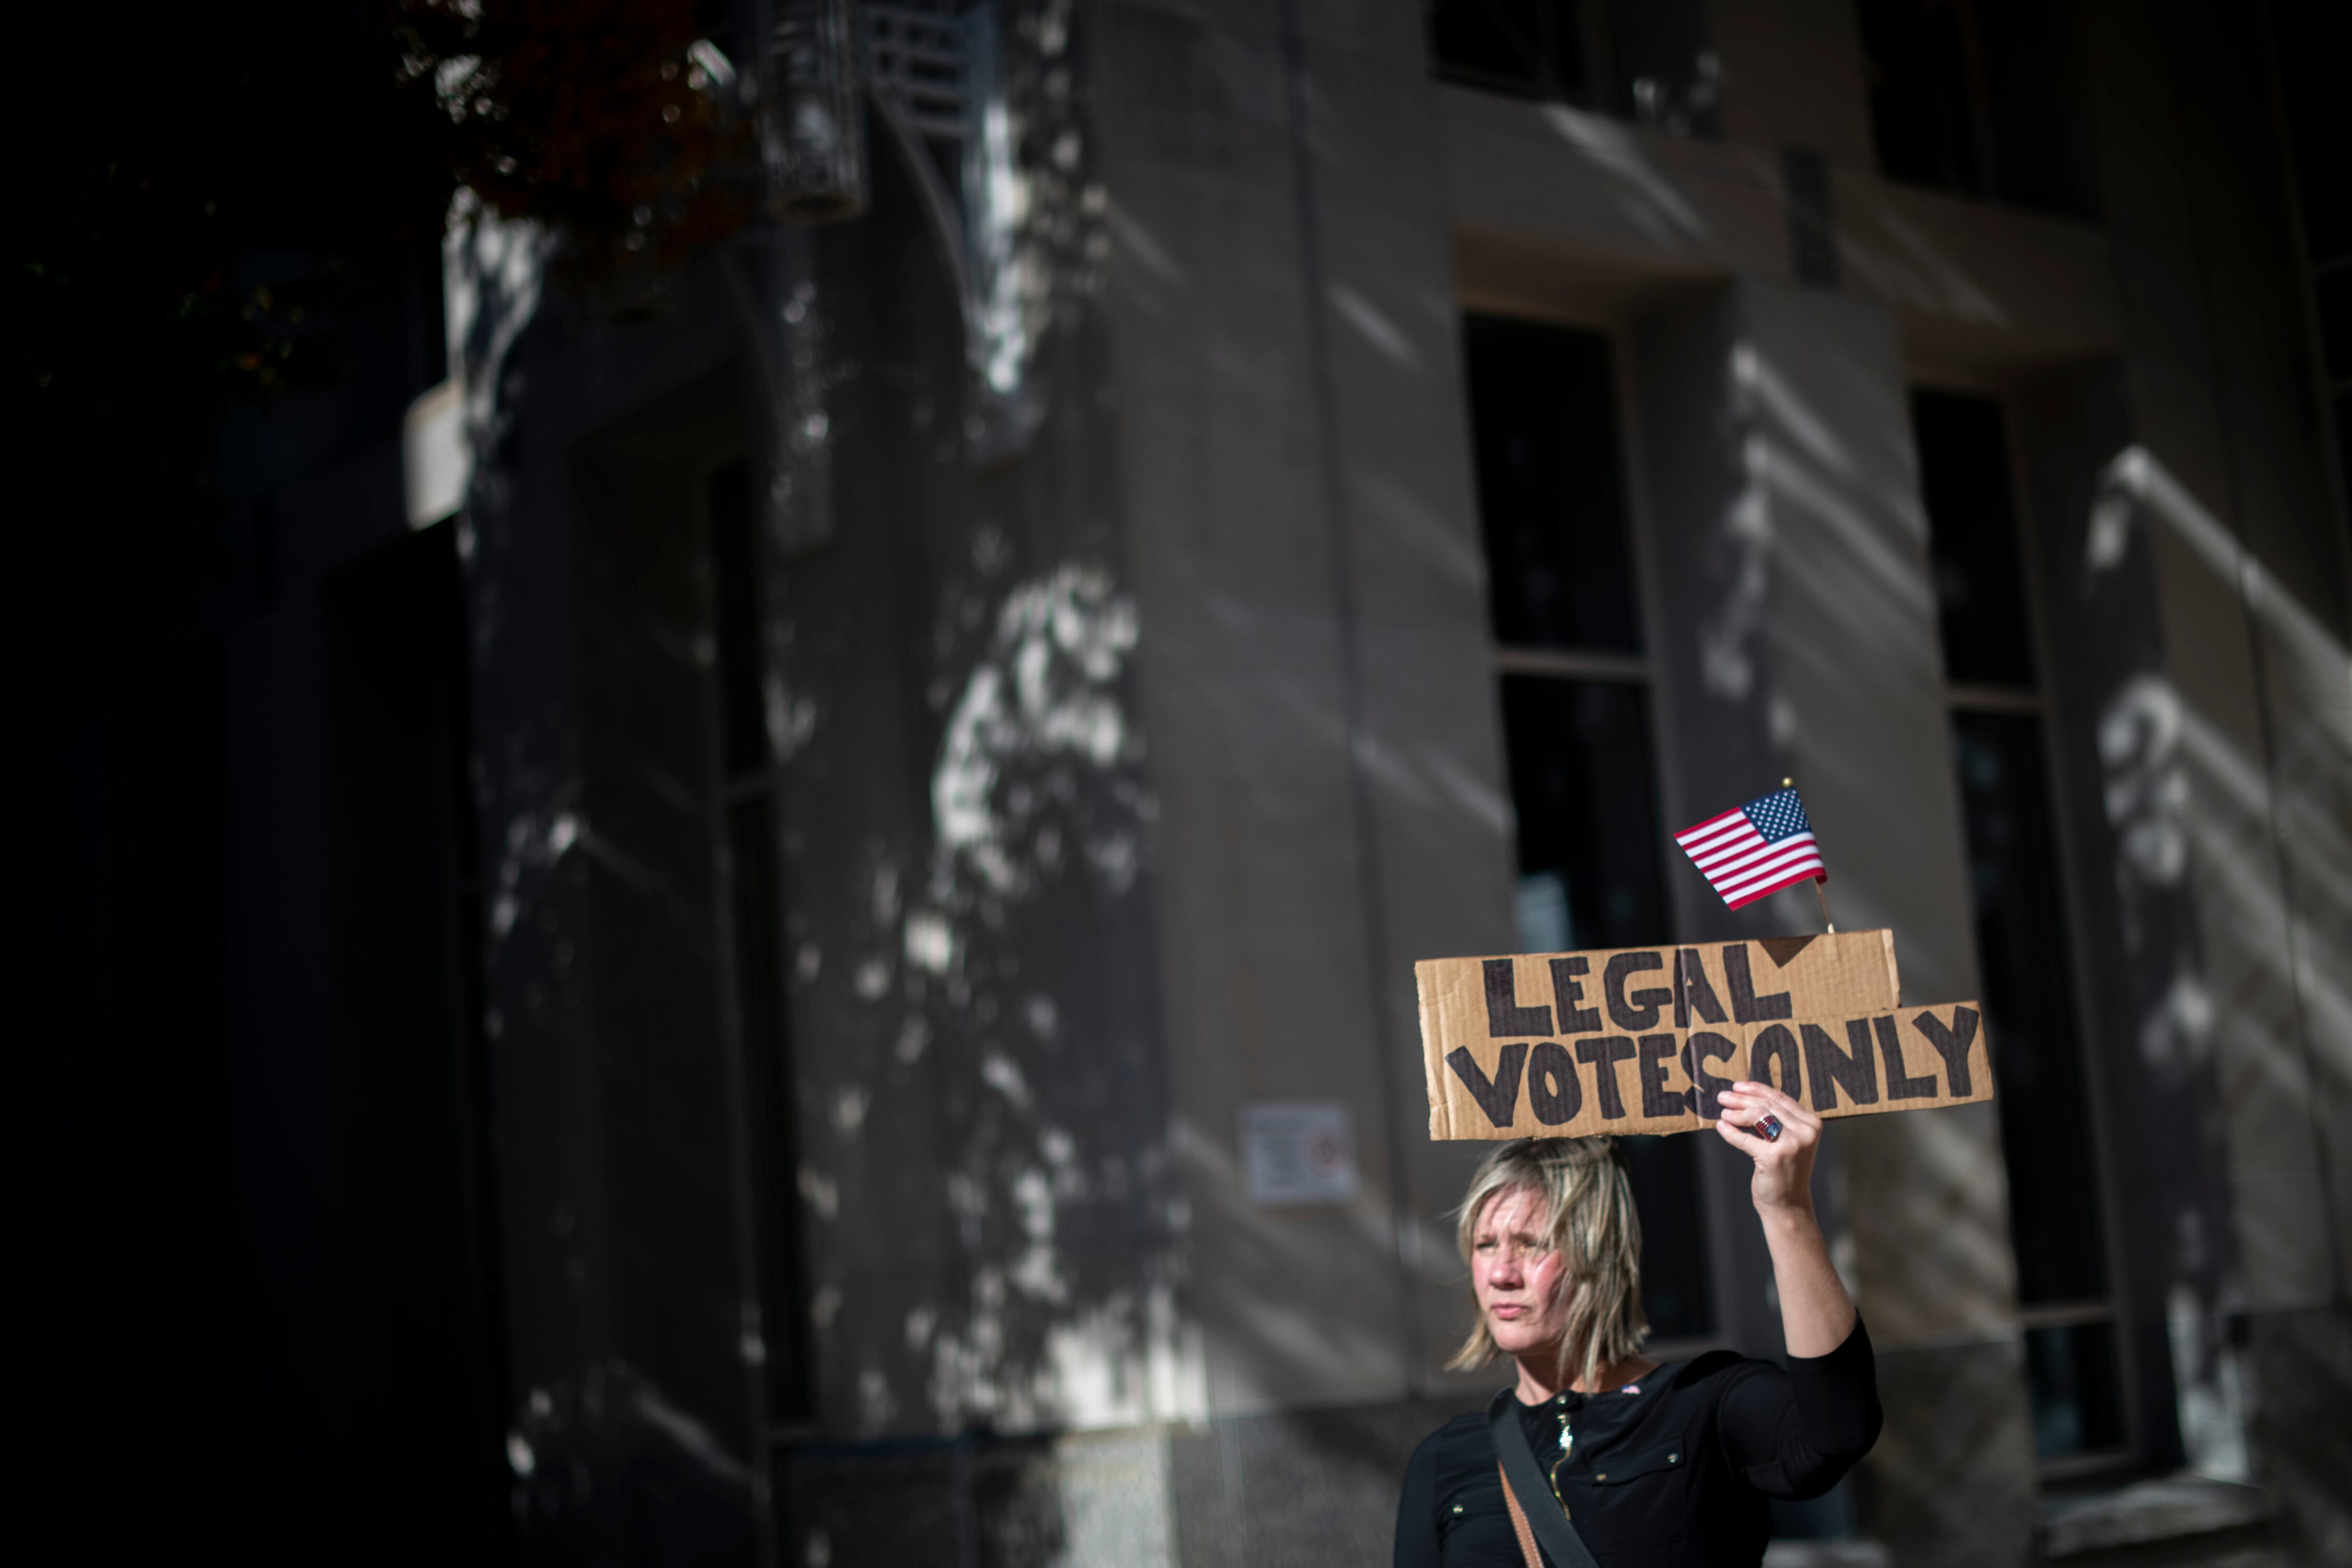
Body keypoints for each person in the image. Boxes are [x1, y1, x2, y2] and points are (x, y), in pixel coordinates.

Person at [1393, 1080, 1881, 1567]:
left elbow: (1836, 1432)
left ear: (1599, 1254)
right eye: (1485, 1246)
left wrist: (1787, 1210)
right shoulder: (1445, 1460)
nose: (1500, 1273)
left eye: (1532, 1244)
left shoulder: (1702, 1404)